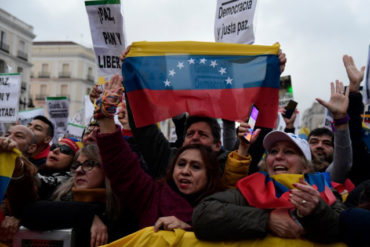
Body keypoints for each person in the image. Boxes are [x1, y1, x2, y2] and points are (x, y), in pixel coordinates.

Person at [94, 76, 225, 232]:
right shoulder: (152, 195)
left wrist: (190, 230)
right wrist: (106, 118)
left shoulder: (224, 206)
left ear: (210, 173)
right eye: (181, 164)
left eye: (196, 166)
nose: (185, 171)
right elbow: (121, 165)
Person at [192, 129, 346, 243]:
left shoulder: (325, 191)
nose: (278, 156)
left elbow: (340, 230)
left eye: (289, 152)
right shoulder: (253, 187)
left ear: (305, 166)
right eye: (273, 151)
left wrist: (316, 210)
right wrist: (266, 220)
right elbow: (203, 214)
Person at [21, 144, 136, 247]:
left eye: (89, 164)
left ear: (107, 169)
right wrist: (89, 215)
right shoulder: (60, 195)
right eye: (77, 165)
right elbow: (29, 213)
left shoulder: (120, 208)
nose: (79, 170)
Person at [282, 81, 352, 185]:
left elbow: (343, 162)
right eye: (314, 142)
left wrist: (340, 119)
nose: (319, 146)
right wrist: (289, 127)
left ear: (335, 149)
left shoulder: (329, 177)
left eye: (326, 143)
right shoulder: (291, 171)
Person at [0, 129, 38, 245]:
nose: (9, 138)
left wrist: (14, 217)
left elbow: (25, 203)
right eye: (7, 134)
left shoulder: (34, 175)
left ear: (31, 148)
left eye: (19, 136)